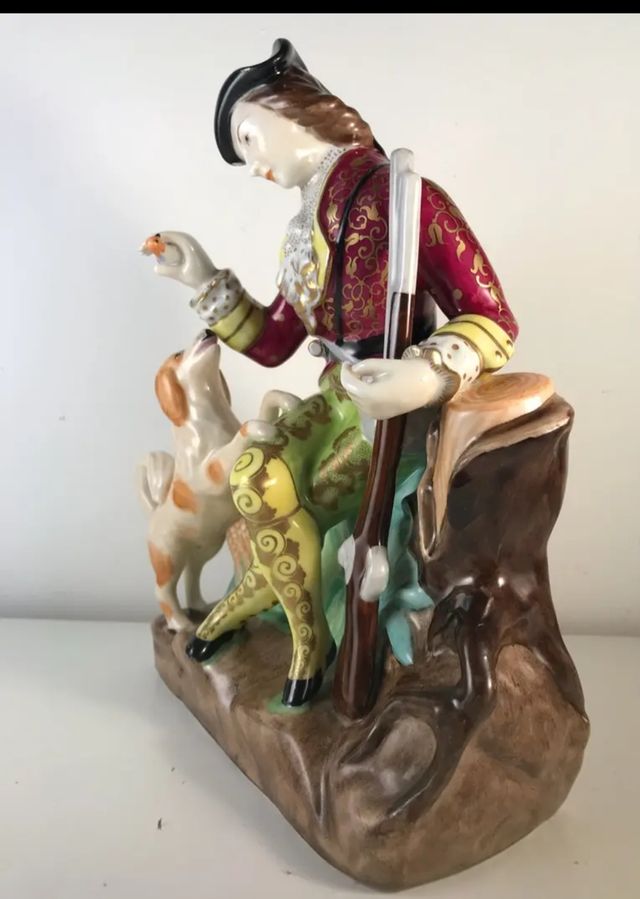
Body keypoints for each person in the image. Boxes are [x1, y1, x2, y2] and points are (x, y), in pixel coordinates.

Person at [165, 39, 518, 706]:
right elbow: (275, 341)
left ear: (292, 110)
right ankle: (306, 634)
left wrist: (427, 375)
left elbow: (493, 317)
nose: (253, 166)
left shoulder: (405, 199)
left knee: (281, 489)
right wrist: (204, 278)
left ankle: (300, 635)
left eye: (250, 139)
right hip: (336, 399)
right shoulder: (305, 228)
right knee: (253, 475)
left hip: (394, 416)